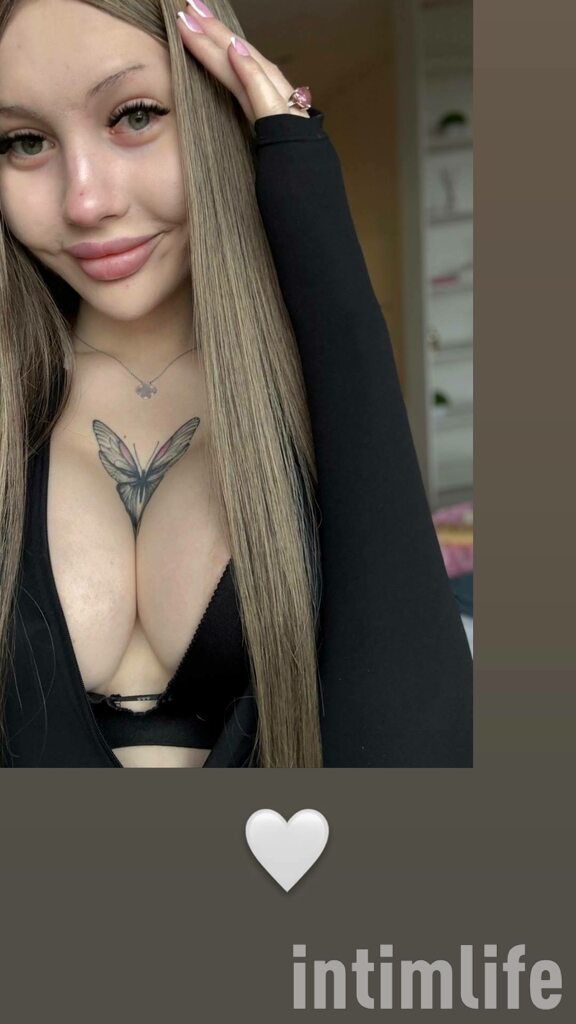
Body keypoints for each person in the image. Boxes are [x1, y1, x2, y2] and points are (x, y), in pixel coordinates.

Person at [0, 0, 473, 768]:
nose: (86, 201)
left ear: (216, 112)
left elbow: (419, 745)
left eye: (135, 116)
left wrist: (301, 178)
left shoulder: (304, 399)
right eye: (24, 141)